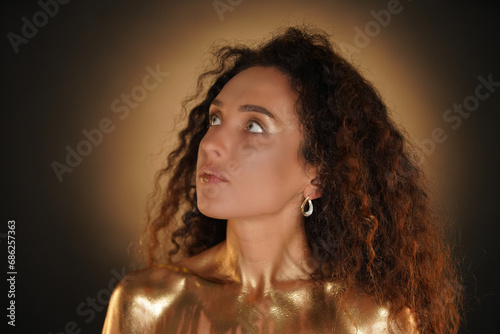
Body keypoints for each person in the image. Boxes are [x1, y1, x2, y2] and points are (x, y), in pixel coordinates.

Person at [102, 26, 462, 333]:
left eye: (255, 125)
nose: (211, 144)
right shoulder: (146, 304)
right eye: (214, 120)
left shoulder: (374, 322)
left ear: (317, 176)